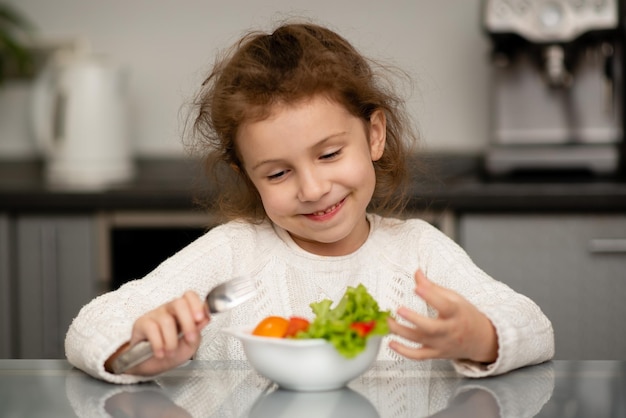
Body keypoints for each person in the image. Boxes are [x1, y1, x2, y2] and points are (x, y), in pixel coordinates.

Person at [65, 20, 554, 384]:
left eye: (330, 154)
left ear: (374, 135)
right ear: (247, 176)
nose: (314, 188)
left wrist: (481, 337)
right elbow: (90, 326)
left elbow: (534, 326)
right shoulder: (233, 255)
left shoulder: (419, 252)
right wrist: (136, 350)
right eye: (278, 173)